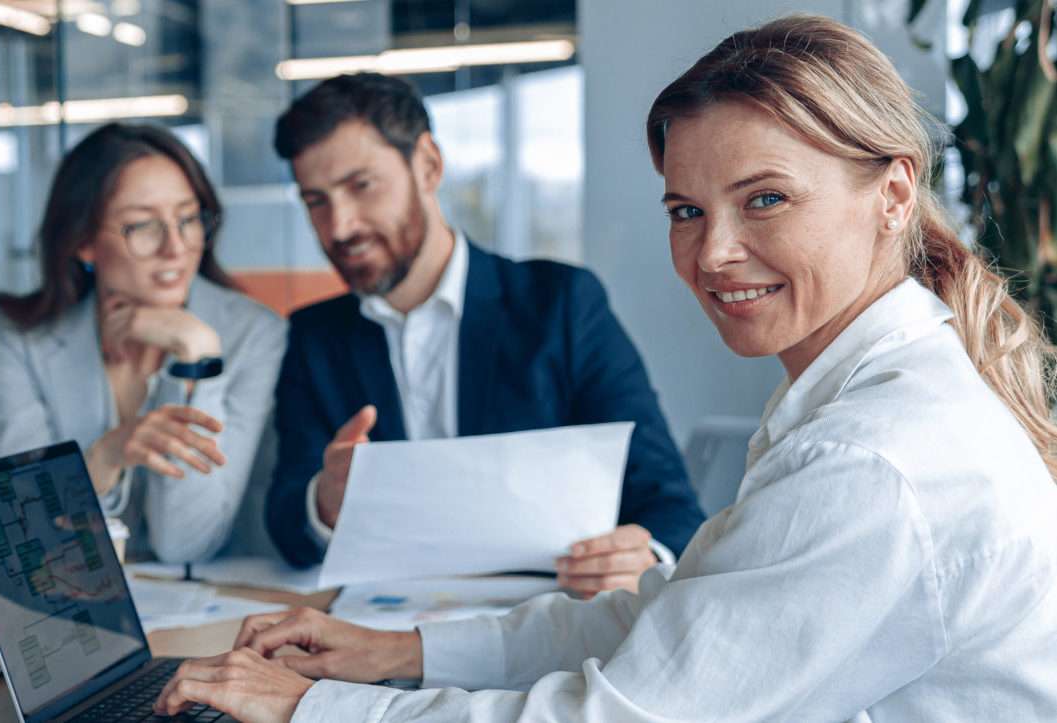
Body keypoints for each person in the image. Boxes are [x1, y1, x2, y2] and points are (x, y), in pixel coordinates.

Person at [155, 15, 1057, 721]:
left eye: (765, 199)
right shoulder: (861, 398)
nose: (713, 254)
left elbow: (624, 711)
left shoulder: (870, 460)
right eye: (685, 211)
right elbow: (667, 618)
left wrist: (313, 707)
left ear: (892, 194)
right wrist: (397, 651)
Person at [263, 72, 705, 593]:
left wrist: (642, 557)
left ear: (428, 165)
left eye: (361, 186)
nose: (339, 226)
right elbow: (286, 522)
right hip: (379, 629)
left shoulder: (559, 304)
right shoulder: (317, 335)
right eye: (316, 201)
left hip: (540, 622)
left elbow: (670, 505)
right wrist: (325, 501)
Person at [0, 123, 287, 563]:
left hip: (217, 610)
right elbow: (24, 534)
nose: (176, 247)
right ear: (84, 243)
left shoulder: (252, 333)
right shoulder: (24, 341)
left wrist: (196, 353)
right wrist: (106, 456)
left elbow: (187, 542)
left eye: (188, 218)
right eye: (142, 225)